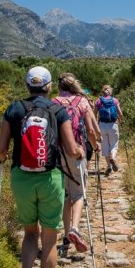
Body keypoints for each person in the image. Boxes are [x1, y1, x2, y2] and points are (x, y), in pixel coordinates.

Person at [0, 66, 85, 268]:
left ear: (27, 86)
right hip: (50, 179)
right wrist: (80, 151)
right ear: (48, 87)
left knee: (29, 234)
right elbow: (70, 149)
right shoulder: (57, 111)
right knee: (49, 240)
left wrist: (2, 159)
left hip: (21, 179)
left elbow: (1, 149)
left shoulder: (13, 109)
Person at [53, 73, 100, 257]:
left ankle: (65, 236)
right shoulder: (82, 102)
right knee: (79, 193)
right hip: (77, 151)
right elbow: (89, 129)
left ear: (59, 87)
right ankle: (74, 228)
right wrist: (95, 147)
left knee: (65, 194)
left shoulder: (54, 102)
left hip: (57, 154)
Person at [94, 84, 124, 176]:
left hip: (102, 125)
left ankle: (108, 166)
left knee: (105, 146)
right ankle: (113, 158)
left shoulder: (98, 101)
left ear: (102, 91)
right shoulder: (115, 100)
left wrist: (95, 125)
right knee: (114, 144)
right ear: (110, 92)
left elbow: (94, 114)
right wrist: (122, 121)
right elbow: (119, 112)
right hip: (113, 124)